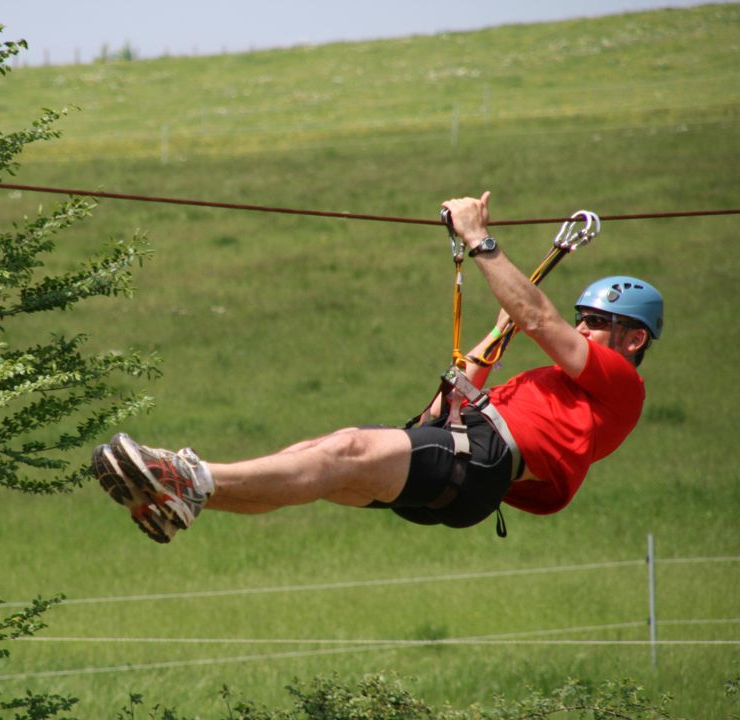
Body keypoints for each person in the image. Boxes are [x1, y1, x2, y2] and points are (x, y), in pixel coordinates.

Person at [93, 192, 663, 543]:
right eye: (581, 317)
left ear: (633, 338)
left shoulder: (620, 384)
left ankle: (190, 475)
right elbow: (466, 388)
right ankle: (179, 500)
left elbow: (540, 318)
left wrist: (479, 238)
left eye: (596, 322)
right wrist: (494, 336)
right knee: (314, 462)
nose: (583, 327)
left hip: (481, 463)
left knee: (342, 450)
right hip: (463, 457)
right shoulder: (559, 387)